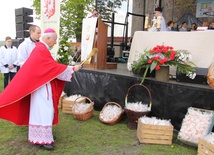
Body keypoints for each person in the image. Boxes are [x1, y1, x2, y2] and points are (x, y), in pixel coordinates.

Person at [0, 28, 81, 150]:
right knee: (44, 111)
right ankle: (42, 139)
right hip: (41, 87)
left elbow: (50, 67)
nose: (55, 42)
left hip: (41, 84)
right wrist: (71, 69)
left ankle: (43, 136)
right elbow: (50, 67)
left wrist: (68, 68)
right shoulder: (40, 49)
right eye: (54, 40)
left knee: (42, 111)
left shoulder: (40, 48)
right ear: (48, 38)